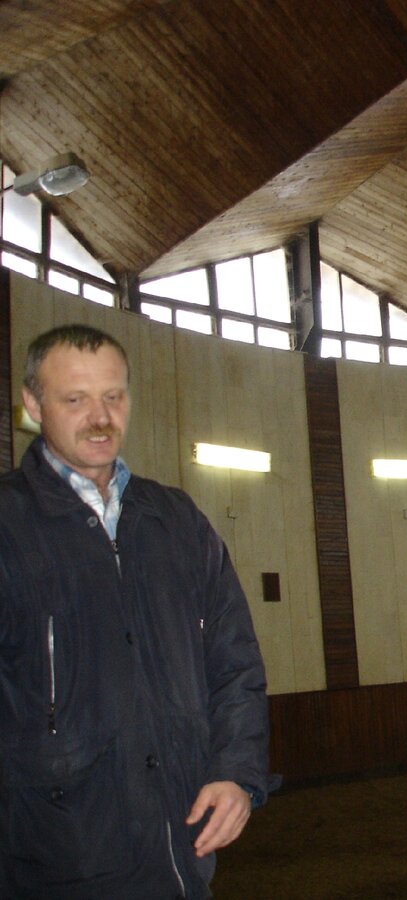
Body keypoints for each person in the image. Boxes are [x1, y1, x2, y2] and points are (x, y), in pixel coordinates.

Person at [0, 324, 270, 898]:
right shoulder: (8, 526)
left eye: (113, 397)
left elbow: (235, 664)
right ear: (32, 404)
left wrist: (237, 774)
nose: (100, 418)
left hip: (181, 855)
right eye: (75, 400)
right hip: (53, 863)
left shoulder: (176, 520)